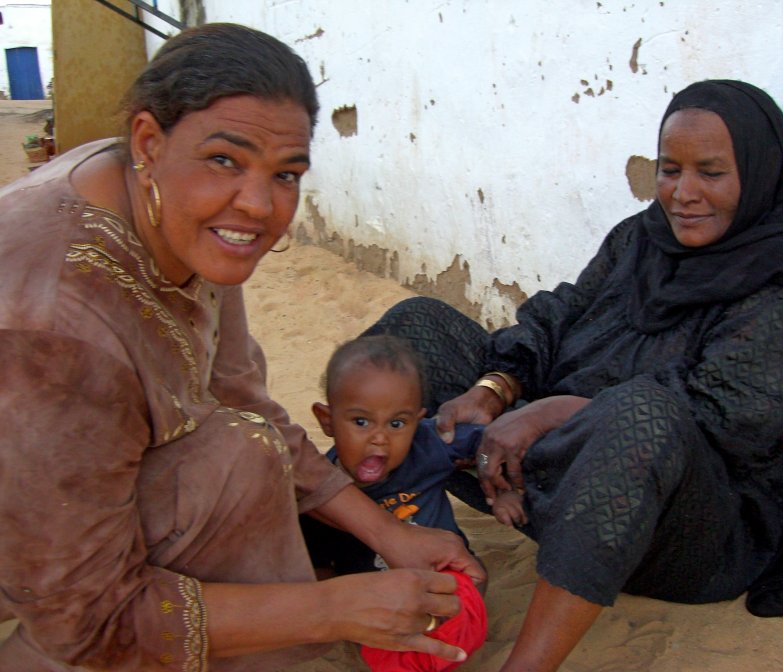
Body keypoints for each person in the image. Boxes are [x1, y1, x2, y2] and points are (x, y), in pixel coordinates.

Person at [0, 23, 485, 671]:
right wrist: (330, 608)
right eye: (224, 160)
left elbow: (247, 403)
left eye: (285, 174)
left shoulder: (177, 211)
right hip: (27, 515)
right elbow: (89, 618)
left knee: (242, 447)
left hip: (64, 480)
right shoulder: (58, 321)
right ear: (149, 140)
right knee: (226, 469)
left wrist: (387, 532)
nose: (258, 205)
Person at [363, 79, 783, 671]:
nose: (683, 193)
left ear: (759, 173)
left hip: (679, 528)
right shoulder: (640, 239)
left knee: (641, 415)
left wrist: (547, 414)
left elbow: (718, 424)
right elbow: (558, 313)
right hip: (538, 474)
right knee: (414, 329)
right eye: (670, 170)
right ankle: (351, 540)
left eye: (711, 173)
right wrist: (496, 390)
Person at [300, 333, 495, 576]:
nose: (380, 438)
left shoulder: (427, 444)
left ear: (416, 421)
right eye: (361, 422)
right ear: (327, 421)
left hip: (447, 569)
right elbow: (318, 567)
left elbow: (489, 443)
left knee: (477, 577)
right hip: (375, 601)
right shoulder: (319, 493)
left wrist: (495, 485)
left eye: (397, 424)